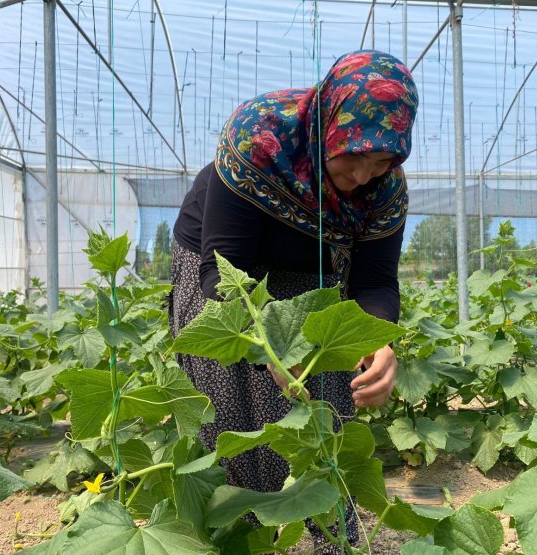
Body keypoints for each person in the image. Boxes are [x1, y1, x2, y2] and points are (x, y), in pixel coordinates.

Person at [169, 49, 418, 552]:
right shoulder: (257, 137)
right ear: (327, 126)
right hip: (222, 264)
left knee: (323, 397)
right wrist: (269, 348)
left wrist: (382, 341)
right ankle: (235, 531)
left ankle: (334, 540)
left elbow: (374, 284)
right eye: (351, 157)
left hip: (315, 272)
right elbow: (224, 271)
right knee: (228, 394)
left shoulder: (386, 188)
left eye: (381, 161)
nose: (363, 176)